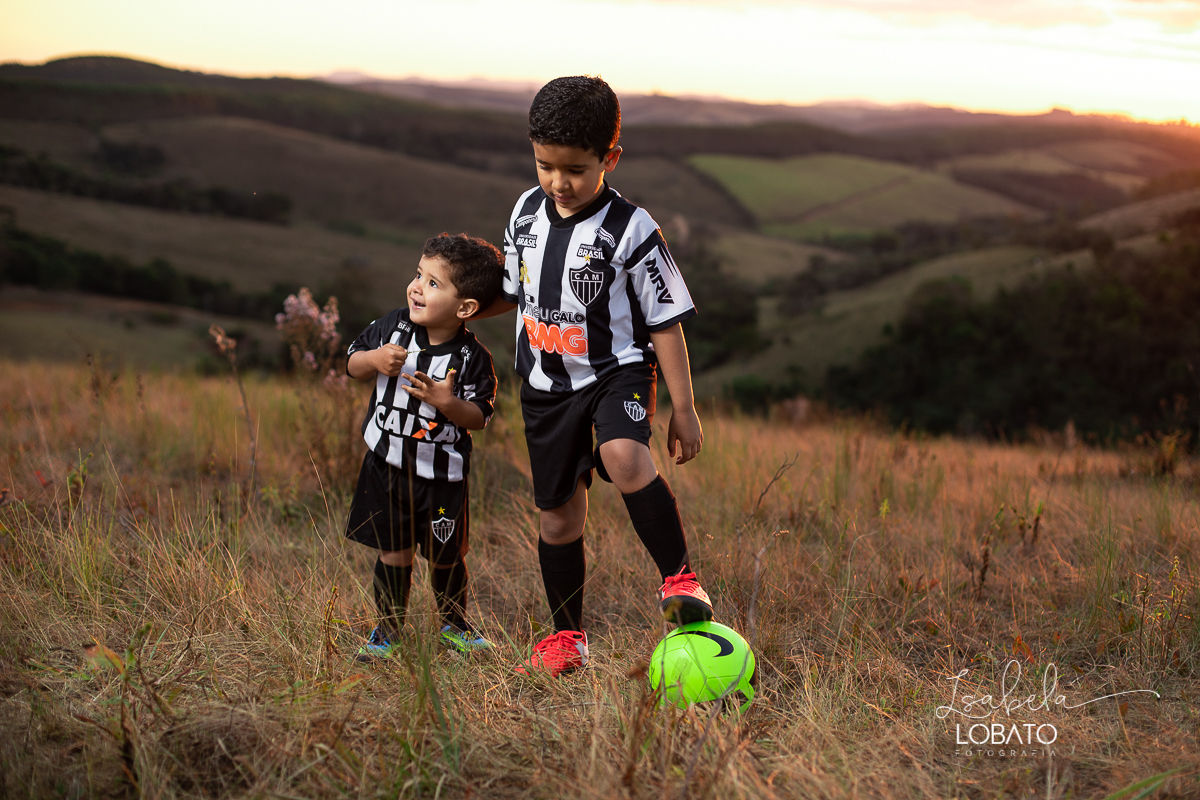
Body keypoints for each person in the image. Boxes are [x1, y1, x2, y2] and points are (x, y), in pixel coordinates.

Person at [480, 75, 713, 676]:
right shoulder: (524, 213)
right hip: (545, 386)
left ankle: (680, 580)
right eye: (545, 165)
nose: (559, 182)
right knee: (559, 517)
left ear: (610, 158)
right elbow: (512, 292)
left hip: (617, 371)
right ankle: (567, 639)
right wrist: (453, 309)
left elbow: (666, 322)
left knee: (625, 457)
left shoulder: (633, 228)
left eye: (575, 170)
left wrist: (684, 408)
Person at [344, 233, 501, 659]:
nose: (416, 287)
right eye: (418, 274)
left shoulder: (472, 358)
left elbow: (480, 417)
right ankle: (388, 631)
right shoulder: (393, 326)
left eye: (433, 283)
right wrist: (375, 360)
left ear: (464, 308)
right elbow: (352, 363)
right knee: (393, 553)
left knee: (445, 557)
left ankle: (454, 626)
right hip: (386, 467)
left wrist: (448, 403)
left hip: (441, 479)